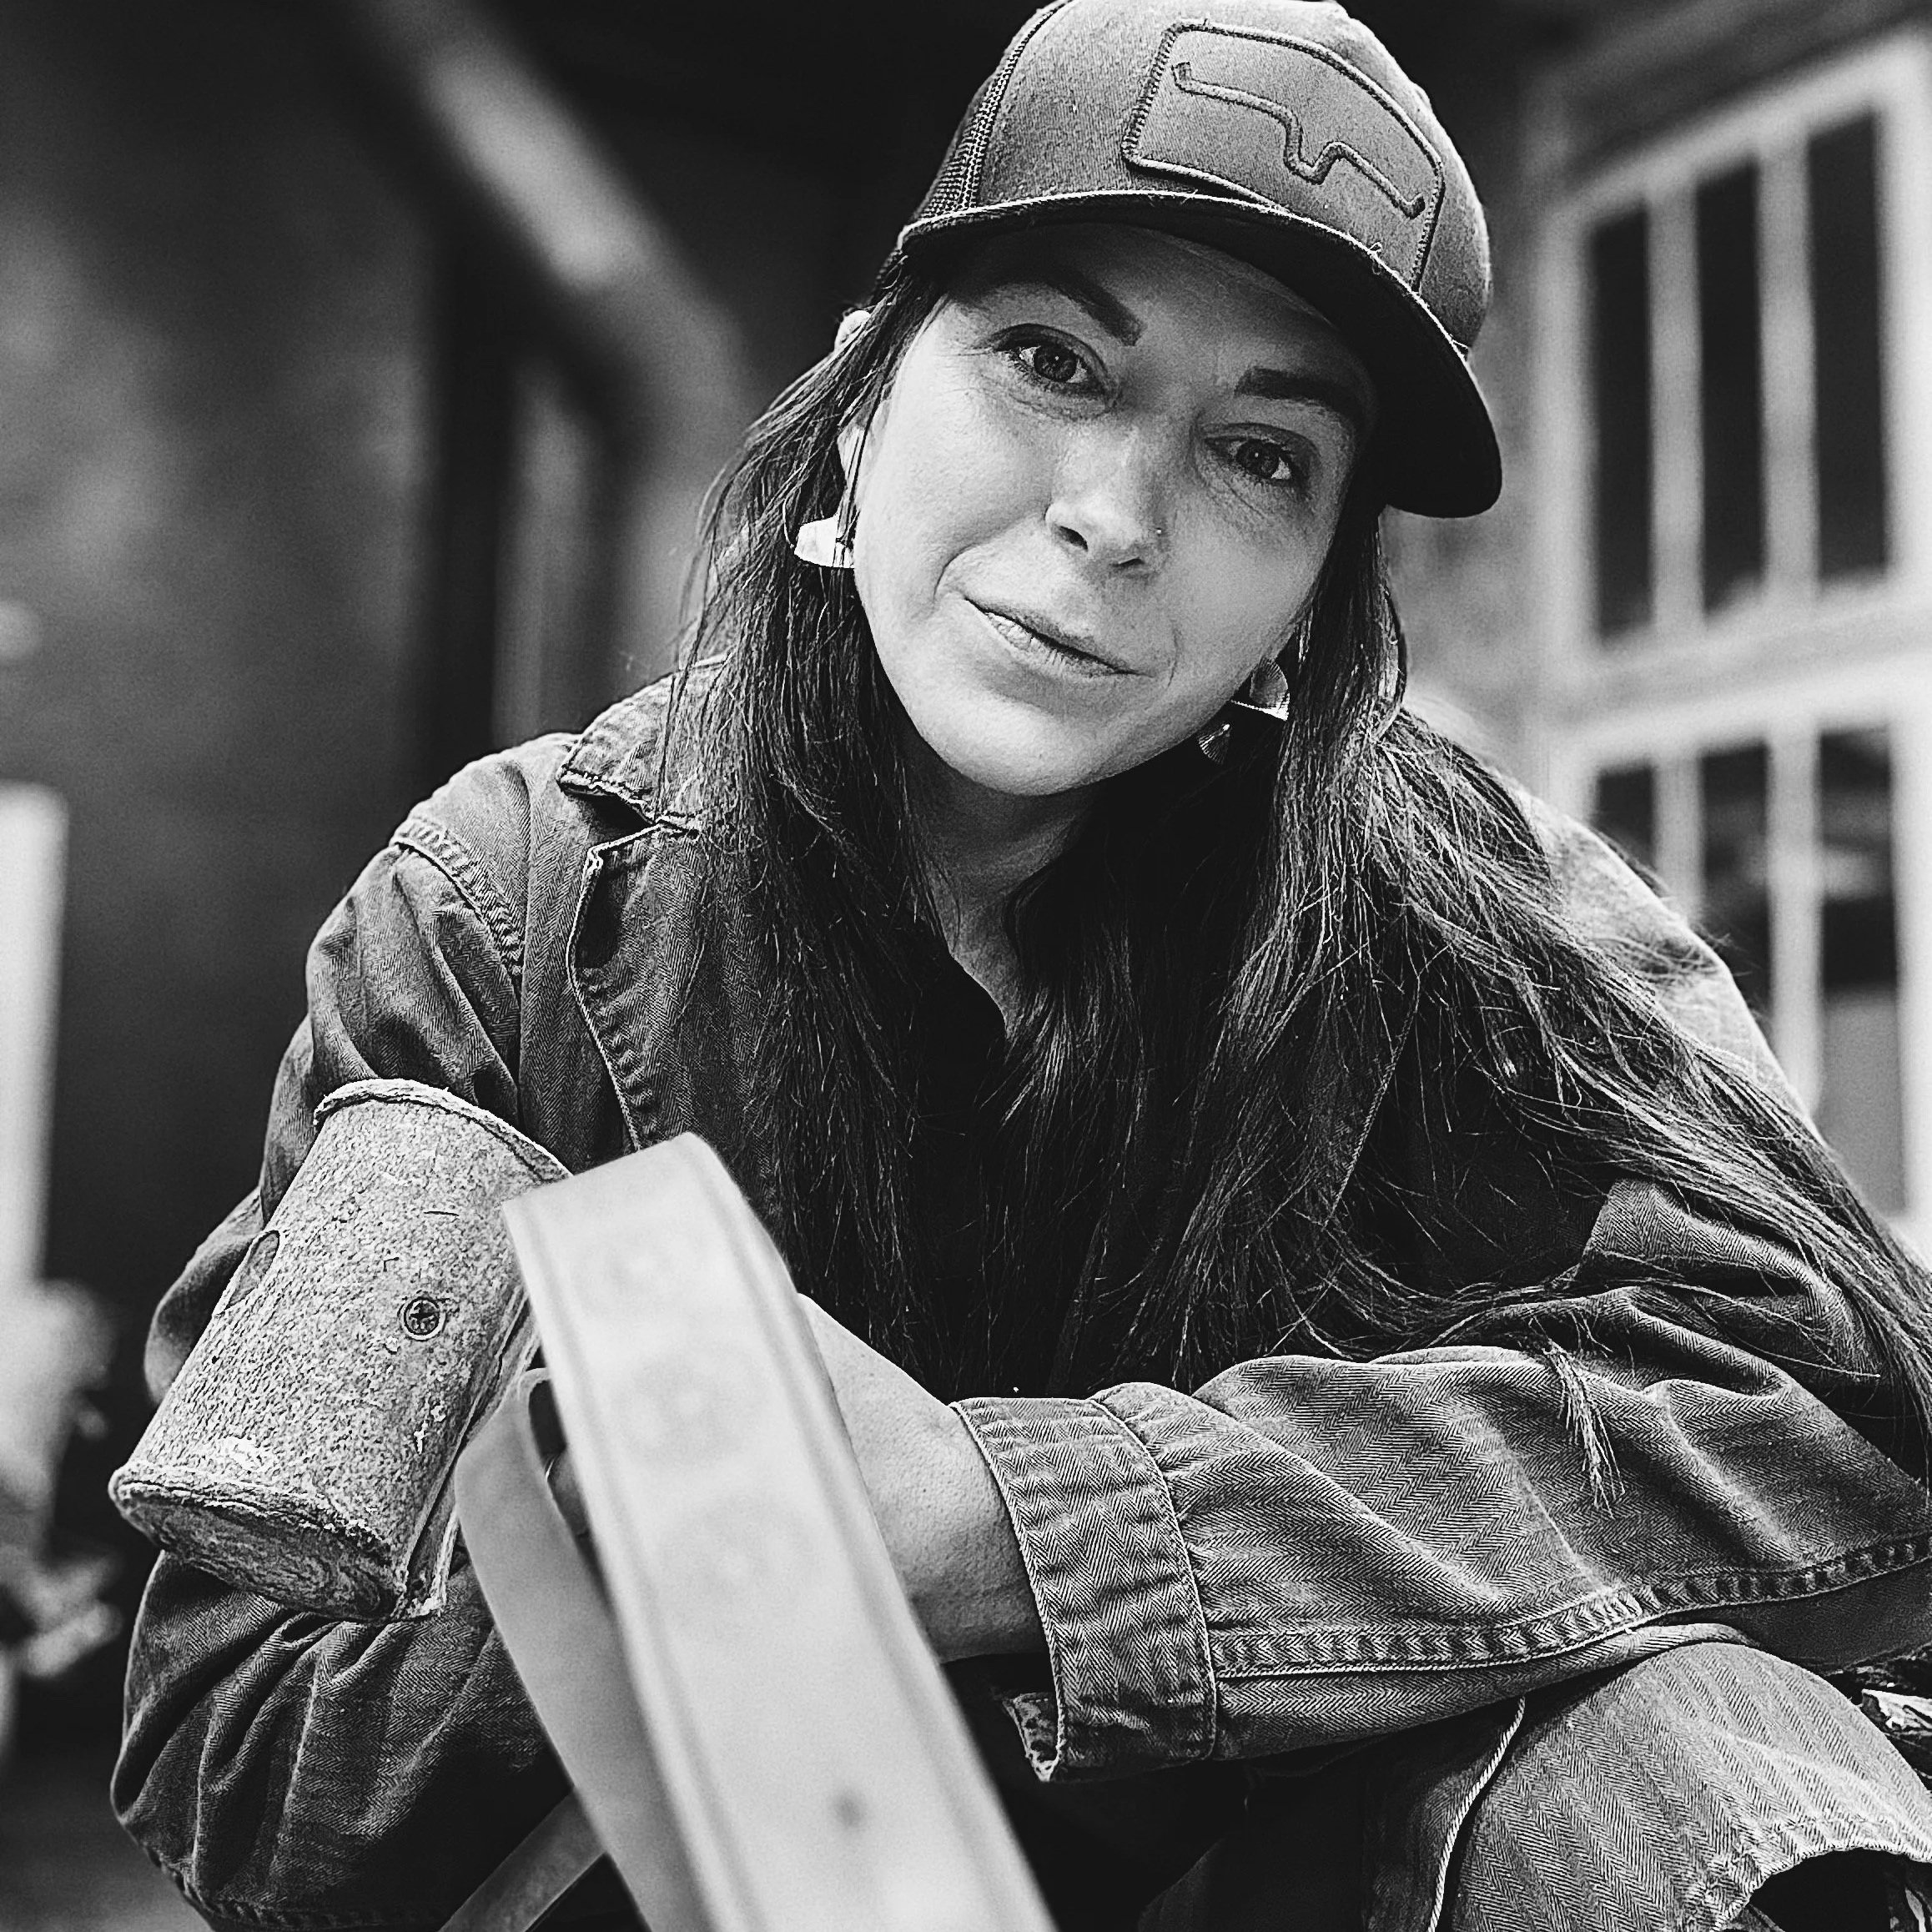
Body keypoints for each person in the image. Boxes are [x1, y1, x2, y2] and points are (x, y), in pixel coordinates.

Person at [114, 3, 1932, 1927]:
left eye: (1260, 453)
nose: (1113, 517)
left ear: (1314, 600)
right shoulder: (506, 913)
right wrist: (667, 1528)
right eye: (1050, 358)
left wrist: (1020, 1531)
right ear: (859, 403)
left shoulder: (1461, 922)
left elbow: (1846, 1405)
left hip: (1302, 1874)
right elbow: (236, 1745)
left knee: (1692, 1748)